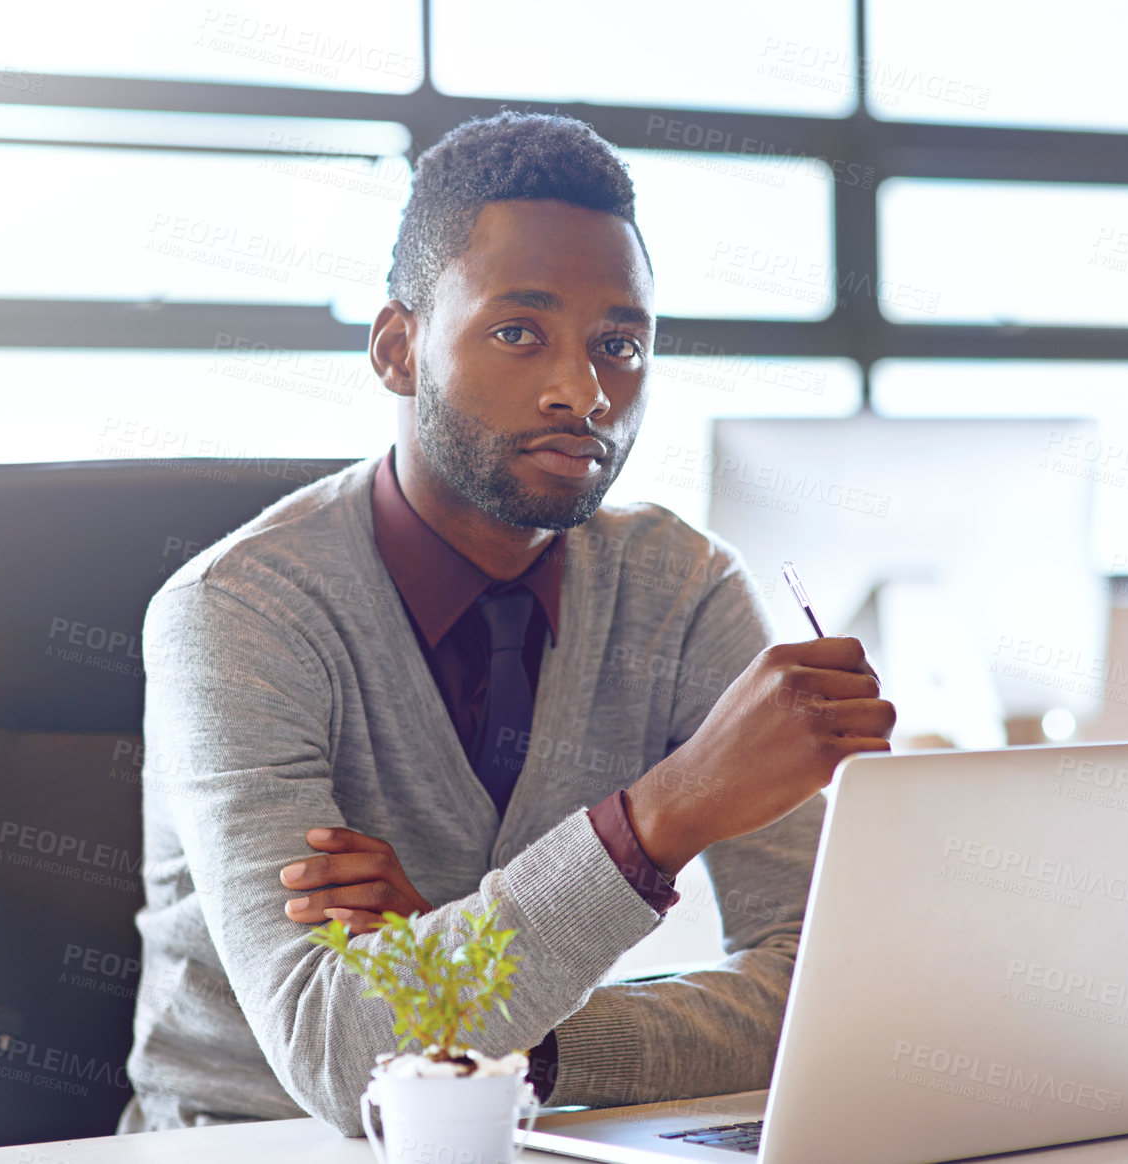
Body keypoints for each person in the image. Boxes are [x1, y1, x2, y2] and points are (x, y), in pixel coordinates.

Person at [117, 110, 896, 1137]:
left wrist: (513, 1045)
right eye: (518, 332)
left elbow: (829, 992)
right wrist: (659, 818)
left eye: (620, 345)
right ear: (398, 350)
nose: (585, 393)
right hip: (256, 1144)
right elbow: (344, 1054)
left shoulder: (686, 589)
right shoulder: (238, 615)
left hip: (532, 1134)